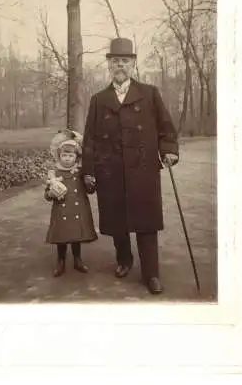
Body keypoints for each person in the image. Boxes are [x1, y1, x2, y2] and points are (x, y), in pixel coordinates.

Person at [82, 37, 179, 294]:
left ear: (133, 64)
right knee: (117, 222)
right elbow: (89, 139)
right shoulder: (98, 100)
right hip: (110, 171)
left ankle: (152, 274)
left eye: (125, 61)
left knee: (146, 223)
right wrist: (89, 171)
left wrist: (169, 151)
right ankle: (124, 260)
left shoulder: (149, 94)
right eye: (115, 61)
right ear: (109, 66)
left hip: (143, 170)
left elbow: (166, 129)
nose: (120, 66)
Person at [45, 129, 98, 277]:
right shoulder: (54, 173)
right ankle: (60, 261)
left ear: (76, 157)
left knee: (76, 235)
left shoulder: (80, 172)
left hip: (78, 208)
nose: (67, 158)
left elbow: (89, 190)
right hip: (61, 210)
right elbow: (47, 194)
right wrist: (51, 193)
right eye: (64, 155)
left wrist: (91, 184)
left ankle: (77, 259)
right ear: (59, 156)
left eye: (70, 155)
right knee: (62, 236)